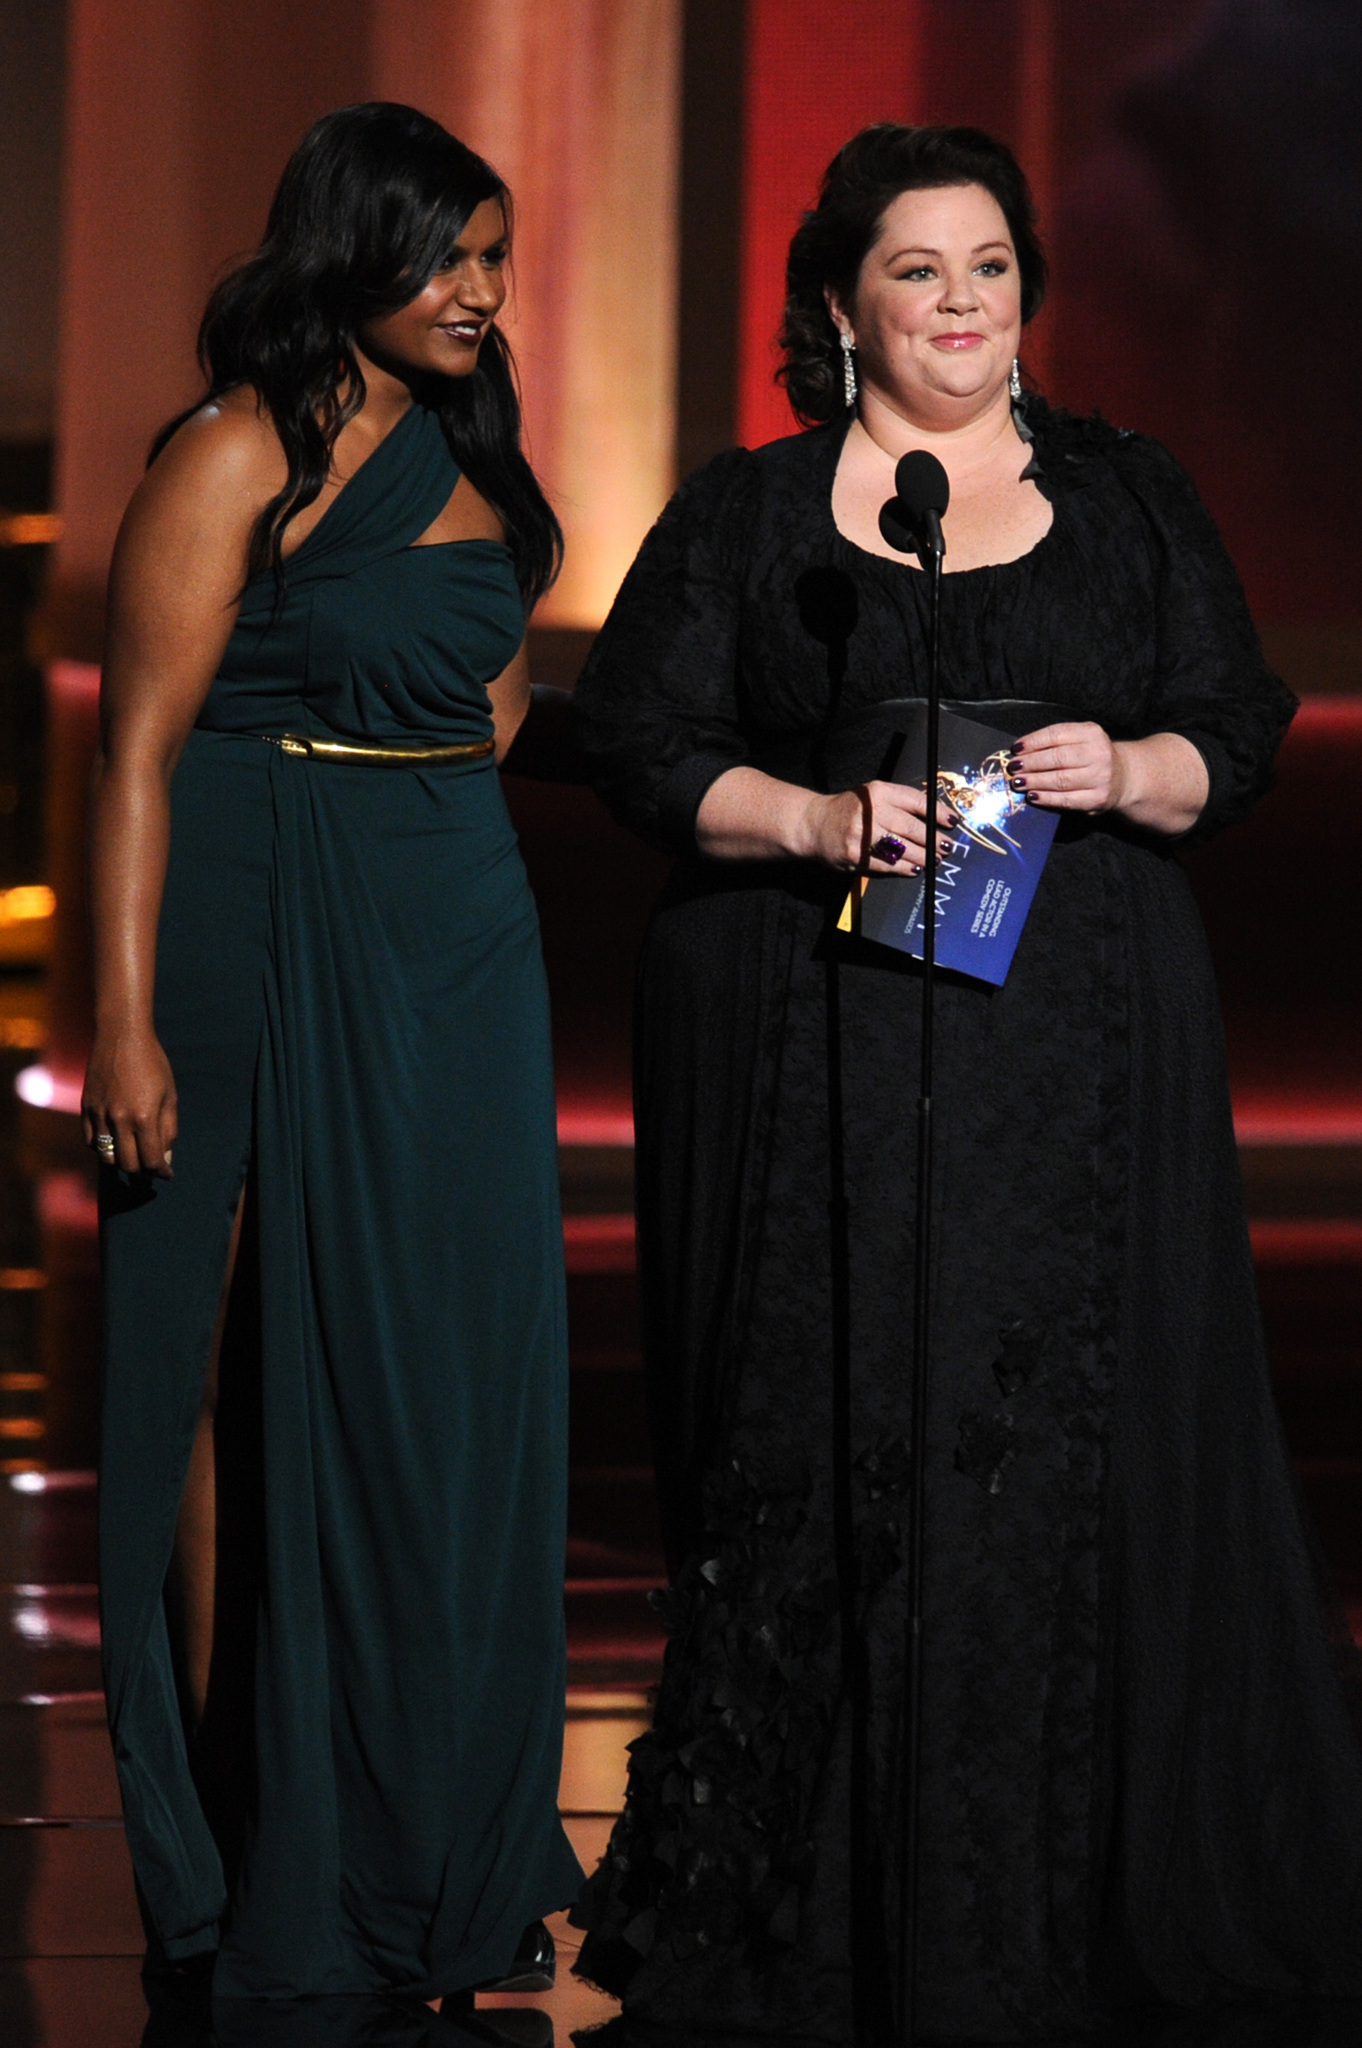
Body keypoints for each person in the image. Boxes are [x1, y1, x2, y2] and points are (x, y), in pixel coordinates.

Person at [570, 124, 1362, 2040]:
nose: (960, 306)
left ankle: (1053, 1888)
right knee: (848, 1435)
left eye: (990, 267)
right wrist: (818, 818)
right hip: (839, 1050)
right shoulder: (757, 514)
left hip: (1078, 1058)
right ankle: (821, 1908)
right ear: (839, 301)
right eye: (917, 270)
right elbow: (640, 743)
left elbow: (1232, 735)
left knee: (1056, 1458)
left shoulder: (1128, 496)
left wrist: (1131, 768)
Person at [84, 103, 581, 2011]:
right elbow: (133, 748)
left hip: (451, 932)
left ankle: (432, 1824)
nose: (480, 291)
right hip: (260, 910)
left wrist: (434, 800)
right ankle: (262, 1819)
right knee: (240, 1351)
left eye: (494, 257)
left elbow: (491, 674)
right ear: (347, 255)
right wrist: (122, 1015)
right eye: (447, 257)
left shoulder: (470, 436)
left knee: (446, 1374)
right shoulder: (233, 450)